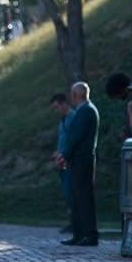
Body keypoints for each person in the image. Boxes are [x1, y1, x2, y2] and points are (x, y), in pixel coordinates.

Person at [60, 82, 100, 247]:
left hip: (82, 160)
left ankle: (89, 234)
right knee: (77, 197)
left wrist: (64, 155)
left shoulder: (86, 111)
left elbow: (75, 137)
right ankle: (79, 234)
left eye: (72, 94)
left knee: (83, 198)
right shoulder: (85, 110)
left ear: (76, 95)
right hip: (79, 159)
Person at [49, 93, 74, 234]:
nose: (56, 110)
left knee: (71, 192)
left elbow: (72, 141)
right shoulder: (63, 120)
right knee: (67, 192)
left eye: (57, 107)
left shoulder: (73, 118)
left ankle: (75, 222)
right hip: (62, 161)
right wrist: (57, 153)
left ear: (64, 103)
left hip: (69, 161)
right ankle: (72, 221)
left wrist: (63, 153)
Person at [106, 72, 132, 142]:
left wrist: (127, 134)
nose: (117, 99)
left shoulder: (131, 101)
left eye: (116, 96)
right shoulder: (130, 100)